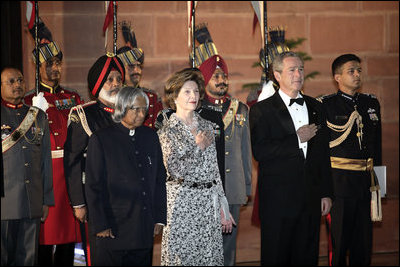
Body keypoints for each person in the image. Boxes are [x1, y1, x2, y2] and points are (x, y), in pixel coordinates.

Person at [249, 51, 333, 265]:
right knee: (276, 255)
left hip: (311, 198)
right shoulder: (261, 110)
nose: (298, 74)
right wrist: (296, 139)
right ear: (277, 75)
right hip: (278, 199)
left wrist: (326, 193)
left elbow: (323, 155)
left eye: (301, 69)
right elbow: (260, 151)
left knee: (307, 255)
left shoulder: (317, 107)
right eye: (292, 70)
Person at [188, 24, 252, 266]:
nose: (222, 80)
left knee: (228, 248)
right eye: (216, 76)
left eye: (224, 75)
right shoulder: (195, 110)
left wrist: (246, 185)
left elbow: (246, 151)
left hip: (232, 188)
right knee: (203, 246)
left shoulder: (240, 109)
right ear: (204, 79)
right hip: (203, 191)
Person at [157, 68, 235, 266]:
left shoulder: (207, 125)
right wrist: (197, 147)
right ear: (174, 96)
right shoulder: (167, 131)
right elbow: (174, 170)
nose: (193, 96)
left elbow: (213, 168)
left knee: (209, 259)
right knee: (183, 260)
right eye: (187, 92)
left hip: (207, 202)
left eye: (196, 91)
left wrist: (223, 204)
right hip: (182, 203)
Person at [23, 17, 83, 266]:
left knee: (69, 238)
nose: (55, 68)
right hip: (45, 173)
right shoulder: (29, 100)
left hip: (68, 172)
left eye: (58, 63)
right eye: (50, 64)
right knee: (44, 239)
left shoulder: (73, 96)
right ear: (38, 67)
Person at [84, 86, 167, 266]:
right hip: (112, 228)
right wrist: (100, 224)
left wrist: (159, 218)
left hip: (143, 227)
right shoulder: (101, 139)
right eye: (135, 109)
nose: (140, 114)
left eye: (144, 109)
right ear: (122, 108)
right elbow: (93, 185)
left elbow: (159, 179)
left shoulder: (151, 137)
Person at [318, 54, 382, 266]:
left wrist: (379, 186)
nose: (357, 75)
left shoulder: (371, 103)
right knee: (339, 245)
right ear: (337, 77)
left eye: (359, 71)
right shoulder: (325, 105)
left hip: (365, 185)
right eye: (351, 71)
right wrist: (324, 190)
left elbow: (377, 147)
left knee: (363, 245)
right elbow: (320, 153)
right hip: (339, 185)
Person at [63, 53, 125, 266]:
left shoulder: (130, 112)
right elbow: (72, 161)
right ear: (97, 83)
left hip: (126, 200)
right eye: (109, 79)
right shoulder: (83, 114)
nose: (115, 83)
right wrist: (78, 203)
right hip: (95, 200)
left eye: (119, 79)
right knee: (100, 256)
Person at [1, 67, 54, 265]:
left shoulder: (37, 116)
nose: (17, 85)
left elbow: (45, 161)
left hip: (31, 200)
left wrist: (46, 199)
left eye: (20, 80)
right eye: (11, 81)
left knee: (28, 259)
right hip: (4, 203)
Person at [117, 21, 163, 129]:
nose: (137, 70)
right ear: (120, 69)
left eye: (139, 66)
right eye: (131, 66)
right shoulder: (113, 97)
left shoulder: (152, 97)